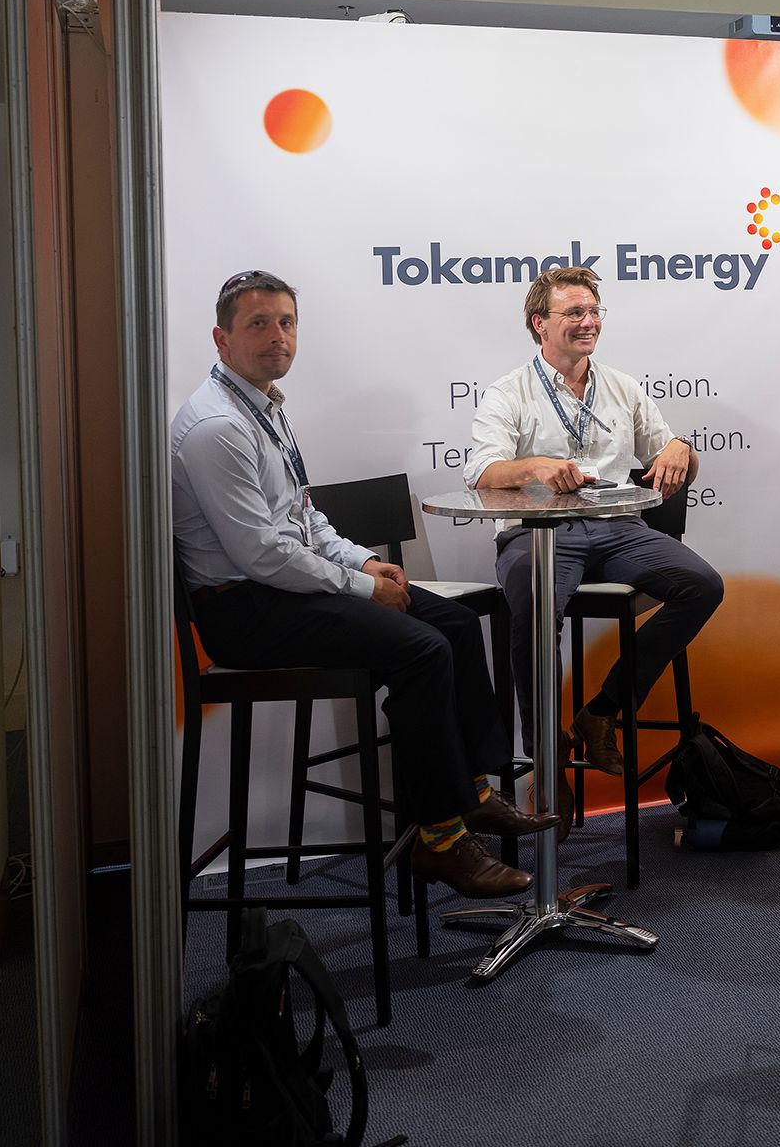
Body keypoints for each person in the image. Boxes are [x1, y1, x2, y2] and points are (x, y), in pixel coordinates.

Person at [172, 269, 554, 901]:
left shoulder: (263, 407)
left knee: (456, 623)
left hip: (283, 589)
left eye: (286, 322)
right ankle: (441, 840)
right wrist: (358, 586)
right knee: (422, 649)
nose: (277, 336)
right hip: (245, 611)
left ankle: (474, 791)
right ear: (222, 338)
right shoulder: (218, 427)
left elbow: (303, 517)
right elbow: (261, 554)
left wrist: (364, 562)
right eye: (258, 324)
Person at [466, 266, 723, 830]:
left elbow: (669, 454)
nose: (588, 322)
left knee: (702, 586)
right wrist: (535, 467)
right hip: (539, 532)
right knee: (534, 610)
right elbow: (482, 472)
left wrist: (681, 448)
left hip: (617, 528)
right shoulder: (510, 392)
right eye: (574, 313)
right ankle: (545, 756)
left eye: (593, 311)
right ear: (540, 324)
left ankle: (603, 710)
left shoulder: (622, 387)